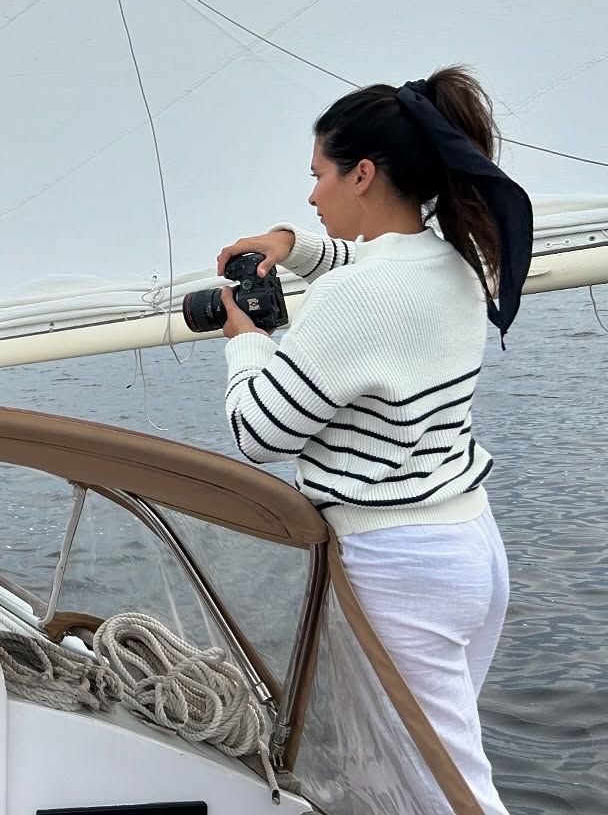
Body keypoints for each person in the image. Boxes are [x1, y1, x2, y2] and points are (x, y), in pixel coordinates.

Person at [216, 67, 528, 814]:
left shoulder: (359, 298)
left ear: (361, 174)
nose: (312, 196)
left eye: (318, 175)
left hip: (401, 569)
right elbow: (369, 260)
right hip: (468, 548)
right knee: (427, 775)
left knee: (447, 795)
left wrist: (245, 341)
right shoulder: (452, 259)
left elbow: (258, 431)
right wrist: (289, 247)